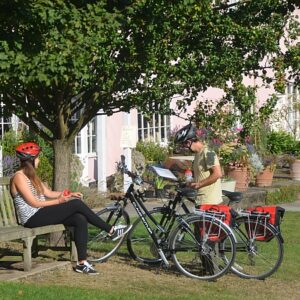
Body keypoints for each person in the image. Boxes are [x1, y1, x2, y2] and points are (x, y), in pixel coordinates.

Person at [10, 142, 132, 275]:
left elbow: (48, 193)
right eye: (38, 157)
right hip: (31, 218)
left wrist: (67, 194)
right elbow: (34, 203)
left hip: (39, 213)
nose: (39, 160)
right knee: (76, 204)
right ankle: (111, 230)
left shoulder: (32, 175)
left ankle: (82, 263)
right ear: (31, 160)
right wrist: (59, 201)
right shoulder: (19, 177)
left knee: (79, 218)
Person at [174, 123, 223, 206]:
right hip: (201, 200)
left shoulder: (208, 152)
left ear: (188, 142)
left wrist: (199, 184)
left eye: (183, 145)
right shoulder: (197, 154)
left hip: (210, 202)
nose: (183, 148)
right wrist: (189, 183)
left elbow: (217, 174)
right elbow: (201, 175)